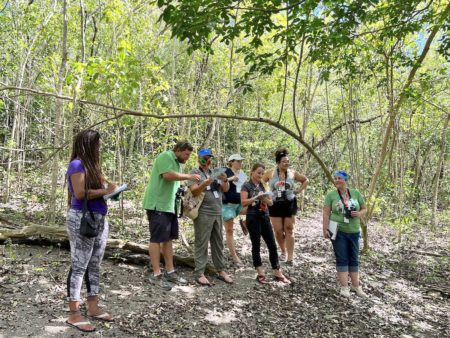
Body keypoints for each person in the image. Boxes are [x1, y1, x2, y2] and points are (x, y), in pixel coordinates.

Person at [65, 129, 117, 333]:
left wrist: (111, 189)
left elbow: (102, 188)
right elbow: (79, 193)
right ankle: (74, 313)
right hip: (81, 218)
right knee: (79, 265)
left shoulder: (93, 166)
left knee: (94, 264)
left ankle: (93, 306)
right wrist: (105, 191)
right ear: (88, 145)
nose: (99, 147)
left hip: (99, 218)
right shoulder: (77, 164)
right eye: (97, 144)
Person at [142, 141, 201, 290]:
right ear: (179, 150)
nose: (187, 157)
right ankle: (156, 274)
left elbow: (174, 181)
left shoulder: (178, 164)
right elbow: (167, 175)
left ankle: (170, 271)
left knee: (168, 239)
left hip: (169, 206)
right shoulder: (166, 156)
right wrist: (189, 176)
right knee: (156, 238)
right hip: (158, 204)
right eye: (186, 154)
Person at [187, 148, 234, 286]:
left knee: (218, 242)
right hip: (203, 213)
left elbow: (225, 189)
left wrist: (225, 180)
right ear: (199, 159)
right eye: (204, 157)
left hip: (217, 211)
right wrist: (204, 183)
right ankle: (199, 272)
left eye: (209, 158)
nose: (207, 160)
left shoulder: (215, 172)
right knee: (201, 242)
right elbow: (194, 191)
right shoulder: (195, 173)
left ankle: (221, 270)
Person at [241, 163, 291, 284]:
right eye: (258, 173)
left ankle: (277, 270)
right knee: (256, 245)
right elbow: (243, 203)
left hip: (264, 216)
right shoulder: (246, 186)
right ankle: (260, 271)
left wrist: (265, 198)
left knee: (272, 244)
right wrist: (256, 198)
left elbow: (271, 203)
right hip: (252, 217)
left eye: (262, 173)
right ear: (252, 172)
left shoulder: (262, 185)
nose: (260, 175)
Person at [322, 170, 368, 298]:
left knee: (354, 258)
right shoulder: (331, 195)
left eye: (339, 178)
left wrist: (359, 214)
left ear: (345, 180)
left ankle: (356, 286)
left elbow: (365, 208)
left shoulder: (356, 193)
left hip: (354, 231)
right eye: (335, 178)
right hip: (337, 229)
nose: (336, 181)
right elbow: (326, 212)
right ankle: (344, 287)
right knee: (342, 257)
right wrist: (325, 229)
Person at [262, 148, 309, 265]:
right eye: (284, 161)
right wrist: (267, 194)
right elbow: (261, 182)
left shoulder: (292, 173)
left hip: (289, 202)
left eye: (288, 161)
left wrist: (298, 191)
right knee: (278, 231)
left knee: (289, 229)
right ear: (278, 162)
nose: (286, 163)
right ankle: (283, 251)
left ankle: (290, 257)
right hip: (275, 203)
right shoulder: (270, 172)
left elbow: (305, 180)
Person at [222, 154, 247, 266]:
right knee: (229, 230)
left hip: (240, 204)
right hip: (227, 204)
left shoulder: (242, 174)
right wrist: (230, 179)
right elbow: (219, 183)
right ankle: (234, 256)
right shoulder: (226, 172)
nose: (240, 163)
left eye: (241, 161)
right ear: (231, 162)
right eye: (237, 161)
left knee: (257, 210)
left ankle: (245, 223)